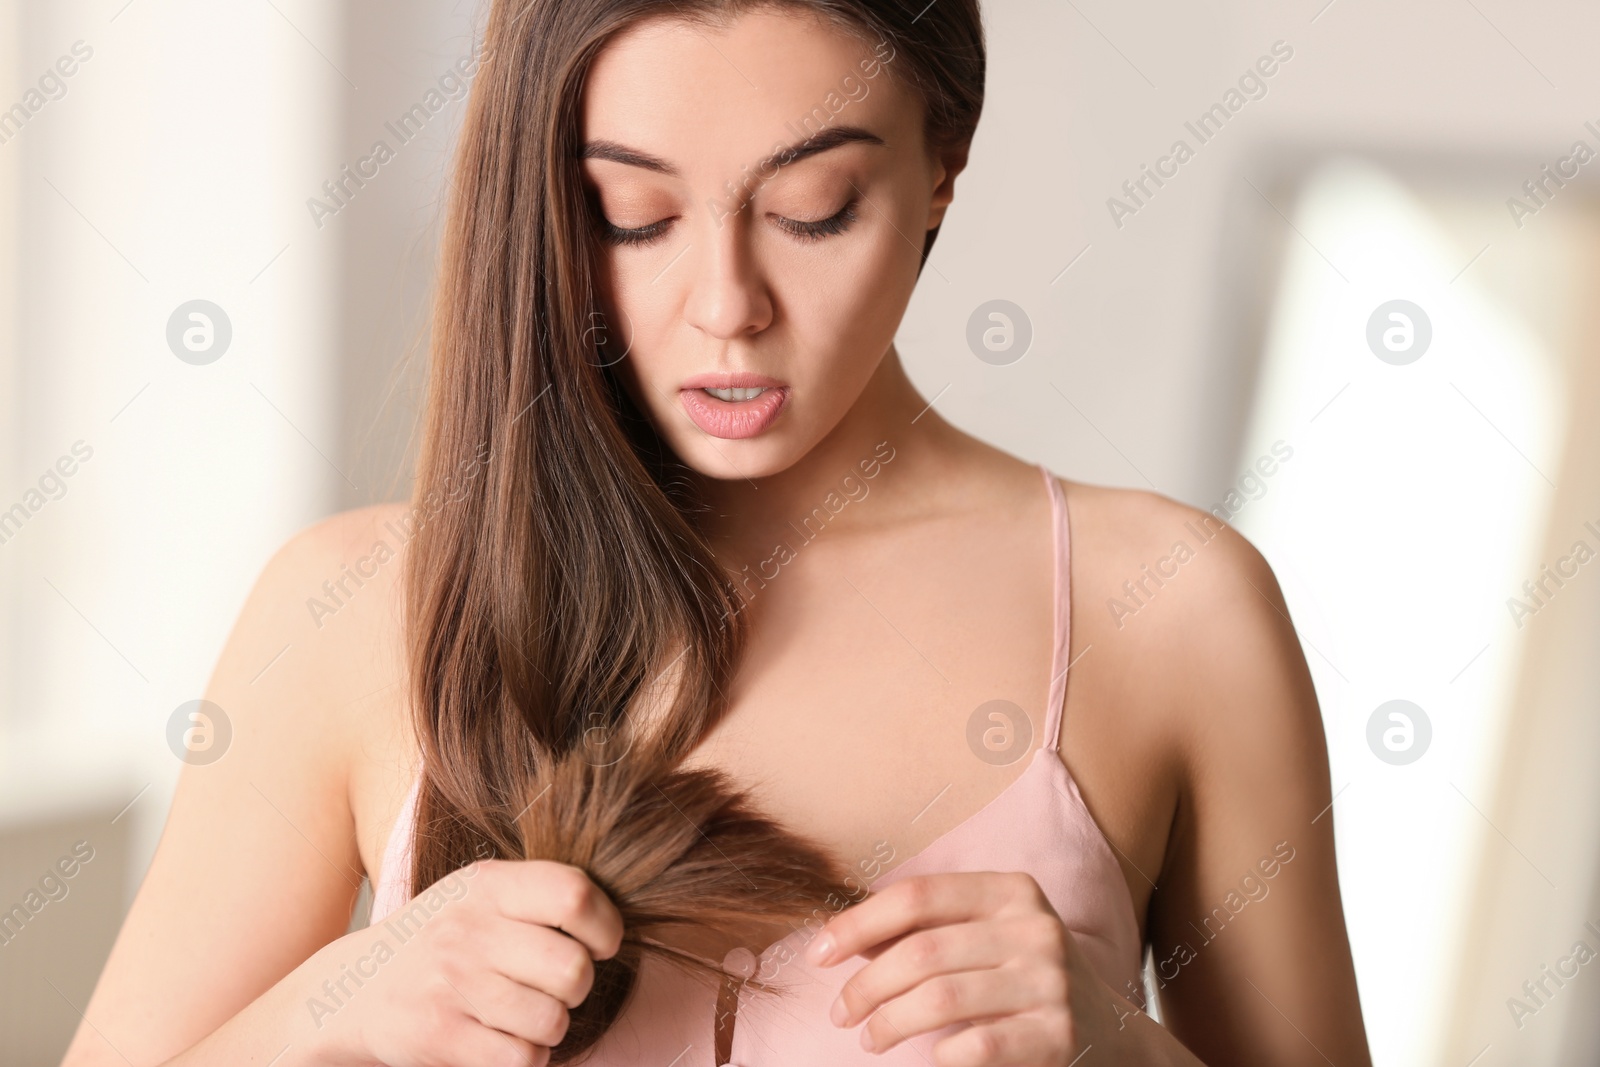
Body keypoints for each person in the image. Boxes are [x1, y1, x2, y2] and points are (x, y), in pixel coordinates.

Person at [61, 1, 1370, 1064]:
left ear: (941, 167)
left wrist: (1117, 1053)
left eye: (813, 210)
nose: (727, 305)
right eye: (636, 216)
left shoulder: (1175, 609)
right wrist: (332, 1014)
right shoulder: (351, 610)